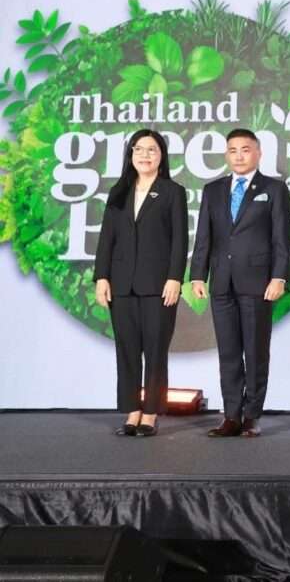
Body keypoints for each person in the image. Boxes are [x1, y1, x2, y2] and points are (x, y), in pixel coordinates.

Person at [190, 129, 290, 439]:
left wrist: (278, 277)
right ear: (226, 154)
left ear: (258, 153)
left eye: (245, 149)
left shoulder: (273, 189)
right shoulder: (213, 190)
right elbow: (203, 237)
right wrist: (197, 275)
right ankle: (231, 416)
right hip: (221, 282)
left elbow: (281, 238)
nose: (238, 155)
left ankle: (252, 416)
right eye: (232, 150)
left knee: (256, 351)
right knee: (229, 353)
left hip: (258, 282)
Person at [94, 129, 187, 438]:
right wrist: (102, 277)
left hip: (158, 285)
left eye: (152, 149)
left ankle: (150, 413)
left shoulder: (172, 192)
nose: (144, 155)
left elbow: (179, 240)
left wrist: (175, 278)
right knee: (127, 350)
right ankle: (132, 410)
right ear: (130, 155)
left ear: (162, 156)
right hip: (121, 285)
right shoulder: (118, 191)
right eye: (138, 149)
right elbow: (106, 239)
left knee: (156, 350)